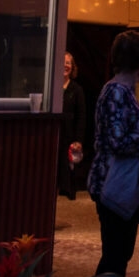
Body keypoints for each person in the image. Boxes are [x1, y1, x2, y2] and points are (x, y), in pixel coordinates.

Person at [87, 31, 139, 277]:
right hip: (114, 186)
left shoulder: (116, 90)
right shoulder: (118, 92)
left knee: (116, 256)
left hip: (111, 184)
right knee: (115, 257)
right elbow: (118, 142)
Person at [59, 52, 86, 201]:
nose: (65, 65)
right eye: (63, 62)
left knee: (67, 172)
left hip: (69, 137)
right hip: (55, 135)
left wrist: (78, 140)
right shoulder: (52, 86)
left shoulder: (77, 90)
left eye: (68, 63)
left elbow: (82, 116)